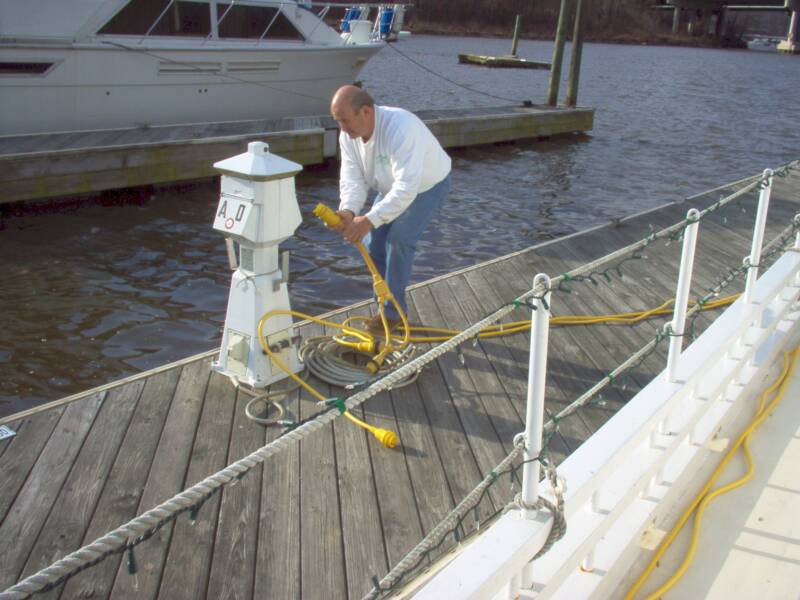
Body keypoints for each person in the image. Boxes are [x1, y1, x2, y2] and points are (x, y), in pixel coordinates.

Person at [329, 85, 452, 333]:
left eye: (345, 121)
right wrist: (349, 211)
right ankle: (384, 307)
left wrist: (368, 220)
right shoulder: (348, 136)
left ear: (365, 111)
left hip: (426, 186)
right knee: (374, 243)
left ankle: (394, 314)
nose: (342, 129)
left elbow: (407, 188)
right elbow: (353, 179)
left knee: (399, 241)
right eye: (338, 122)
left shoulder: (401, 127)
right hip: (390, 188)